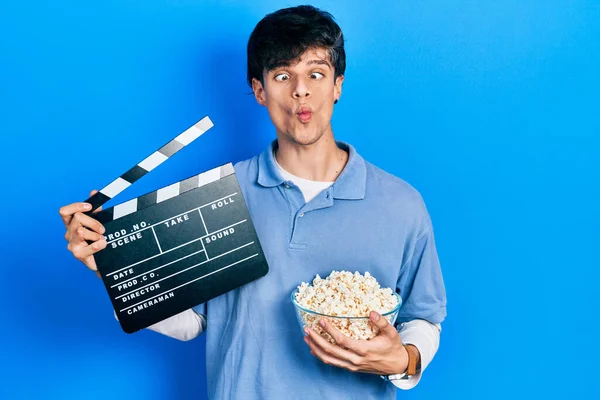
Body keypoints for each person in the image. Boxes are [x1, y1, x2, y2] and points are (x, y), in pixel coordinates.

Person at [59, 5, 447, 400]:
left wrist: (404, 361)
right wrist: (111, 264)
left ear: (337, 85)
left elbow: (424, 317)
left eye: (316, 73)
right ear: (260, 90)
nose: (301, 90)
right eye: (283, 75)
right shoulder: (214, 196)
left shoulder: (401, 205)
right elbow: (192, 321)